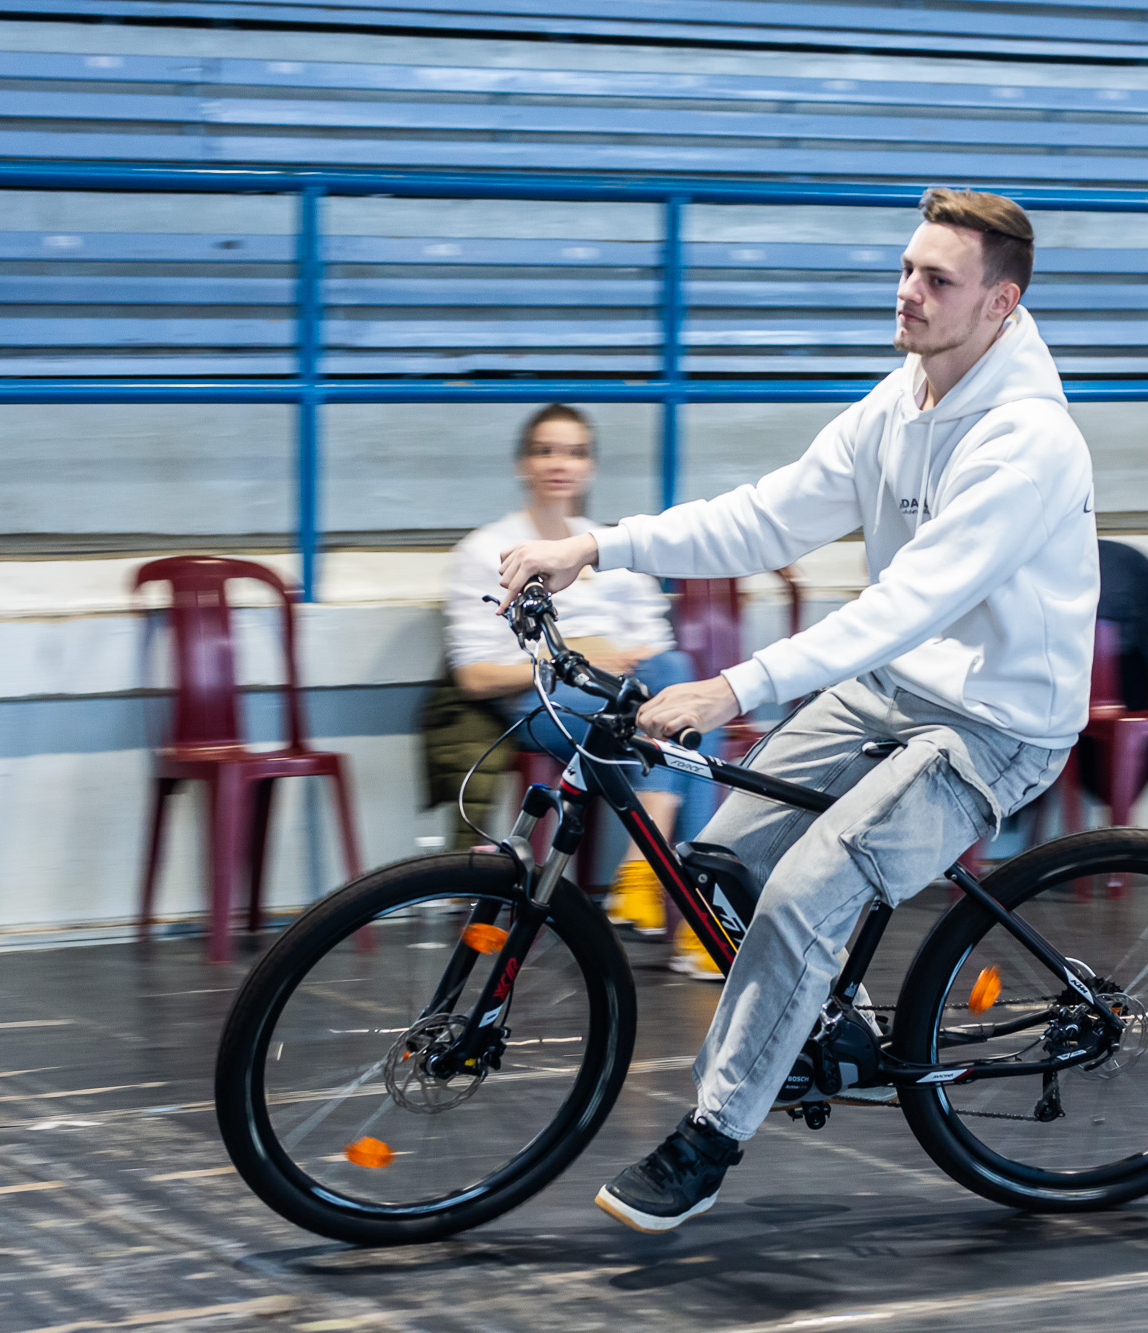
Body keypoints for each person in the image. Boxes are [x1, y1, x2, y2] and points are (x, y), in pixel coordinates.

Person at [498, 188, 1097, 1233]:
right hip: (896, 683)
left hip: (994, 721)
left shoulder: (1028, 442)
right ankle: (831, 1018)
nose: (907, 292)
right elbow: (766, 517)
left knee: (803, 897)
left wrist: (734, 686)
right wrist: (596, 545)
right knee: (721, 862)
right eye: (906, 269)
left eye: (936, 279)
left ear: (998, 303)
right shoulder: (906, 396)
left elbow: (907, 602)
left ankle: (711, 1139)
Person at [444, 403, 724, 980]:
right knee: (675, 721)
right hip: (541, 702)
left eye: (574, 453)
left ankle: (649, 882)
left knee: (679, 695)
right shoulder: (485, 548)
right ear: (523, 464)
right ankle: (699, 920)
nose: (559, 464)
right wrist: (570, 655)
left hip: (621, 690)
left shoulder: (605, 545)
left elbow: (657, 646)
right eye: (545, 451)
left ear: (590, 467)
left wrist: (617, 660)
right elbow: (474, 675)